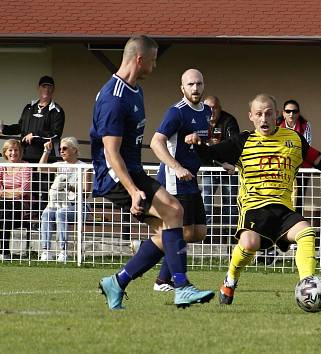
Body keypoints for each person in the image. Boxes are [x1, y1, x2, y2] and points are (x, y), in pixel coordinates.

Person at [188, 93, 321, 305]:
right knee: (250, 243)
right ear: (251, 116)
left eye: (269, 114)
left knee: (307, 232)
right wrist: (197, 144)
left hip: (283, 209)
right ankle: (231, 278)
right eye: (259, 114)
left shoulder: (293, 139)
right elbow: (209, 154)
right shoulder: (242, 141)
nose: (264, 119)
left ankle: (308, 285)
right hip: (254, 207)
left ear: (277, 115)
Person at [90, 35, 213, 310]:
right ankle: (180, 286)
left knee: (169, 227)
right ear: (139, 59)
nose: (155, 66)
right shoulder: (113, 98)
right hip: (115, 175)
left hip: (132, 169)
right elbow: (111, 153)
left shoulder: (134, 90)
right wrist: (133, 192)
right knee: (174, 213)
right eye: (154, 61)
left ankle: (117, 282)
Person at [1, 75, 66, 218]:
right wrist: (4, 129)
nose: (46, 89)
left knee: (44, 188)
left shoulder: (57, 111)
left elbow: (56, 135)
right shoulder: (29, 107)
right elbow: (20, 127)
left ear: (53, 89)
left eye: (49, 86)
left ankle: (43, 220)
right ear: (38, 88)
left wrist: (35, 135)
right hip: (26, 156)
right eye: (44, 86)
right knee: (30, 189)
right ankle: (29, 217)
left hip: (44, 157)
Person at [38, 137, 90, 262]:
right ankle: (46, 251)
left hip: (79, 206)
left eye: (65, 148)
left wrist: (69, 186)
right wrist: (46, 151)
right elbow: (40, 169)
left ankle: (63, 251)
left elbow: (86, 192)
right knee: (46, 213)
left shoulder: (84, 166)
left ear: (74, 150)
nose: (61, 151)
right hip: (59, 204)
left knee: (61, 213)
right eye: (60, 148)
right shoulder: (59, 165)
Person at [201, 95, 240, 235]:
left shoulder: (229, 121)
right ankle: (206, 234)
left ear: (220, 108)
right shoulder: (200, 119)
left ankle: (230, 234)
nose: (211, 111)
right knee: (205, 201)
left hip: (228, 168)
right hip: (208, 168)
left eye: (214, 107)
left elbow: (234, 143)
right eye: (208, 108)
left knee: (230, 202)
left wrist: (218, 147)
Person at [276, 99, 312, 213]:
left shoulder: (306, 125)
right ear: (283, 113)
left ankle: (296, 223)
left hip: (301, 167)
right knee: (280, 196)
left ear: (298, 113)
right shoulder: (276, 126)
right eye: (288, 111)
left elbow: (306, 146)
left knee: (299, 197)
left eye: (295, 111)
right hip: (281, 167)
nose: (291, 114)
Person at [0, 140, 31, 261]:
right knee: (4, 211)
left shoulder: (26, 166)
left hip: (22, 205)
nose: (13, 153)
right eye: (10, 150)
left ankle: (4, 252)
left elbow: (24, 191)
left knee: (5, 212)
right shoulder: (2, 167)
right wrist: (14, 191)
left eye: (16, 150)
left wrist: (4, 193)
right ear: (5, 152)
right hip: (5, 203)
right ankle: (4, 252)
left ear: (20, 151)